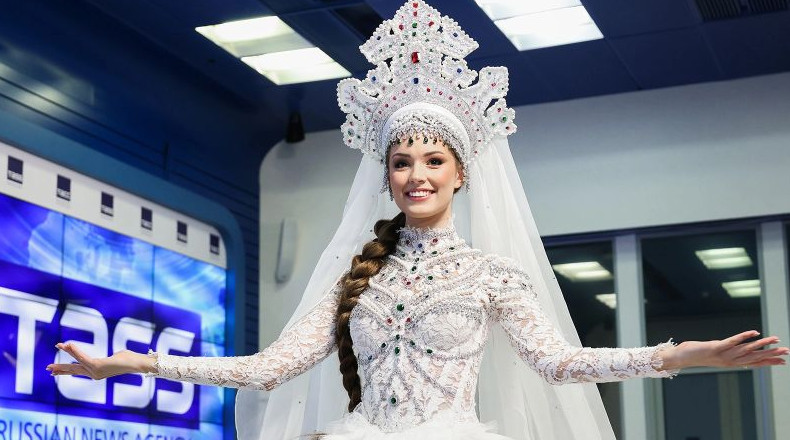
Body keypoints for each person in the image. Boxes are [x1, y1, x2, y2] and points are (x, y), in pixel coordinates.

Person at [47, 1, 788, 439]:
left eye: (434, 160)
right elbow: (267, 369)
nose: (416, 175)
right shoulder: (356, 276)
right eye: (402, 162)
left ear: (461, 173)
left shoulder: (492, 275)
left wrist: (681, 355)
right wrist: (132, 363)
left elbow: (559, 363)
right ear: (386, 176)